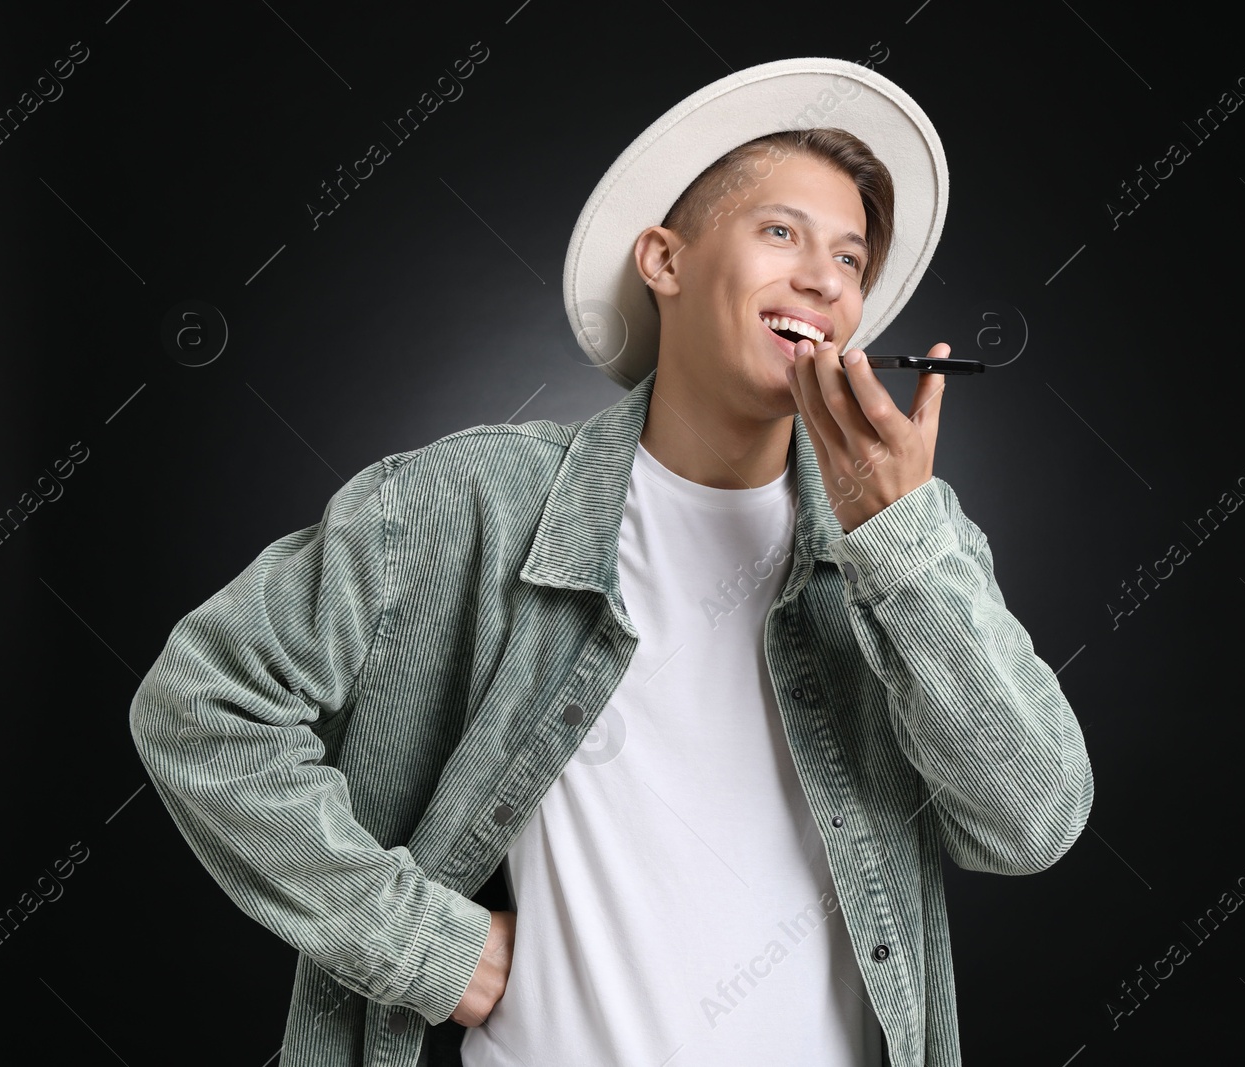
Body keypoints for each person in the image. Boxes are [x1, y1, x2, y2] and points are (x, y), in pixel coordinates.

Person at [128, 57, 1092, 1067]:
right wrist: (424, 947)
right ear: (664, 261)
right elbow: (200, 707)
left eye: (849, 260)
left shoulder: (906, 549)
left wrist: (896, 541)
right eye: (780, 233)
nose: (823, 278)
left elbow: (1030, 822)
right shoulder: (467, 504)